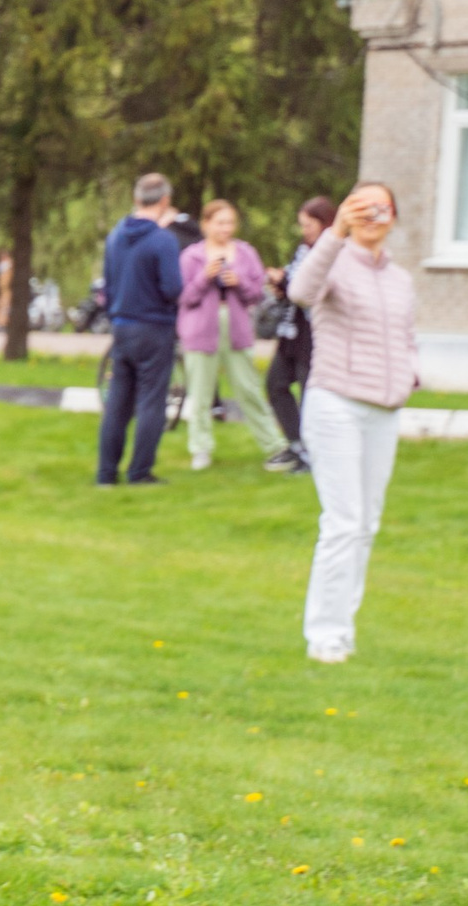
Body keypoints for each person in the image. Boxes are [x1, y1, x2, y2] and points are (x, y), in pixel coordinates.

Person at [288, 181, 420, 664]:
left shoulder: (400, 279)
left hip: (383, 410)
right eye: (361, 207)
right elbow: (300, 292)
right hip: (336, 404)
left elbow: (405, 338)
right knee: (342, 522)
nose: (373, 215)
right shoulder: (331, 262)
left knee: (366, 524)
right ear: (346, 213)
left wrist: (410, 376)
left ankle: (344, 628)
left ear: (393, 217)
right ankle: (324, 635)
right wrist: (334, 235)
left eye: (381, 207)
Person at [173, 200, 286, 472]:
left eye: (230, 222)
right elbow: (183, 297)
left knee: (249, 389)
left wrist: (239, 281)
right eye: (220, 222)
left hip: (237, 329)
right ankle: (200, 449)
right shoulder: (191, 257)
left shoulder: (245, 253)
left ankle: (274, 446)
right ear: (206, 224)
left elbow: (258, 293)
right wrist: (204, 277)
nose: (226, 228)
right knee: (200, 393)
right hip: (201, 331)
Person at [96, 173, 186, 487]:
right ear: (164, 201)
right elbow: (173, 288)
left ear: (136, 199)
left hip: (121, 325)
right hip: (153, 325)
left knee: (118, 402)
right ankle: (139, 471)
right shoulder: (163, 240)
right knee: (151, 401)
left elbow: (107, 284)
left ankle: (106, 473)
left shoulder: (115, 235)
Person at [259, 197, 334, 475]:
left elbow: (313, 289)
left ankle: (314, 454)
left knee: (309, 396)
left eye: (309, 225)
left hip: (315, 335)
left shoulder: (333, 254)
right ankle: (297, 444)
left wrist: (286, 281)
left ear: (325, 224)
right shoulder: (303, 250)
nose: (304, 231)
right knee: (275, 385)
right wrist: (280, 284)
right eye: (302, 225)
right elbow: (295, 282)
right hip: (292, 332)